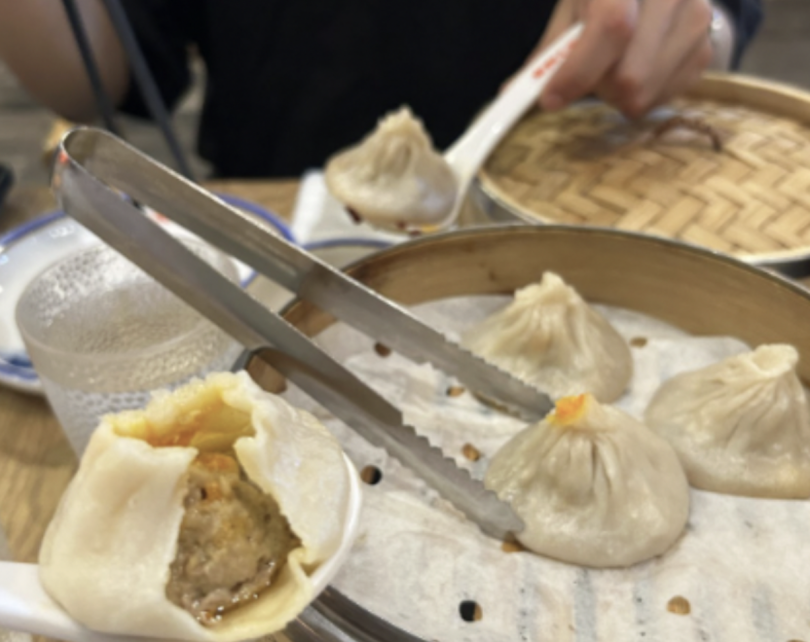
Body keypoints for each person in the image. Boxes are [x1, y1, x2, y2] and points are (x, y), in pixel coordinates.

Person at [0, 0, 762, 178]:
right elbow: (112, 75)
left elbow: (720, 11)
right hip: (275, 221)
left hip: (574, 183)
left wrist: (697, 22)